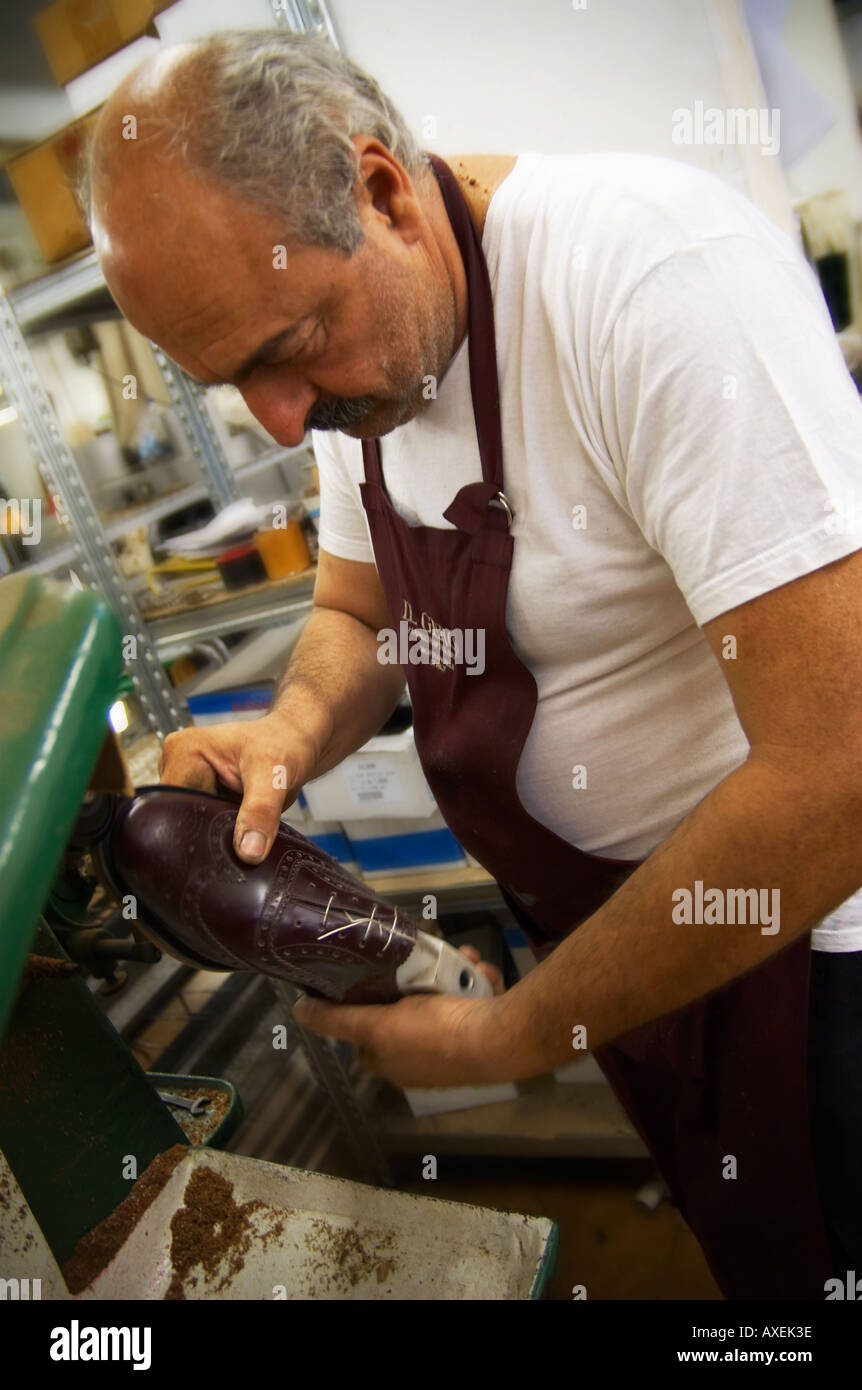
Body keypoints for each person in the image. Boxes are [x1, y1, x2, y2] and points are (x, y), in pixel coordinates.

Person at [83, 30, 862, 1299]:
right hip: (630, 949)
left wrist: (516, 1028)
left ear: (384, 191)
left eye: (285, 349)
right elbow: (360, 607)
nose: (281, 419)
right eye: (232, 385)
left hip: (811, 960)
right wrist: (292, 730)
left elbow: (842, 770)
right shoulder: (357, 368)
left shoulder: (648, 280)